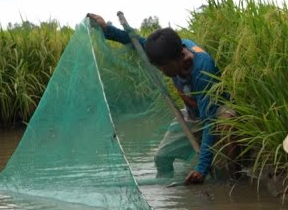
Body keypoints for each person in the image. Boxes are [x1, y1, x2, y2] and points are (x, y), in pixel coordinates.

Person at [85, 13, 237, 184]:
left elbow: (209, 120)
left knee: (226, 122)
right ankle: (171, 190)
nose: (162, 71)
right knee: (161, 158)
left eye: (164, 66)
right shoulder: (171, 50)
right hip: (193, 114)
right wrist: (106, 29)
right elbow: (138, 42)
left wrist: (202, 168)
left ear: (178, 58)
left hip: (215, 112)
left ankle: (234, 177)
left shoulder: (201, 68)